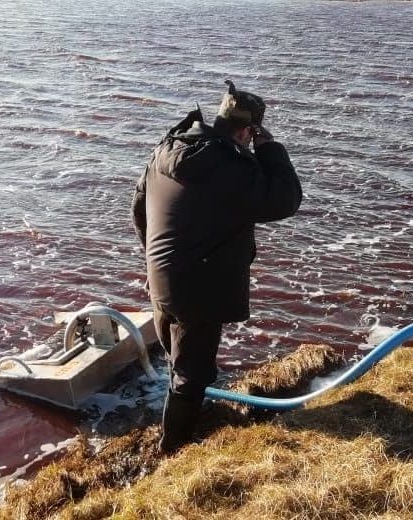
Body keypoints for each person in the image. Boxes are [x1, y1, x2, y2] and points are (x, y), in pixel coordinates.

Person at [131, 80, 303, 453]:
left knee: (180, 360)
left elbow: (138, 206)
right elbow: (285, 200)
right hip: (198, 290)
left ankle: (179, 414)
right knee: (192, 375)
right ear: (247, 131)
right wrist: (271, 148)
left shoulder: (169, 148)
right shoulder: (230, 168)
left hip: (161, 276)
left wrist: (154, 257)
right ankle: (174, 450)